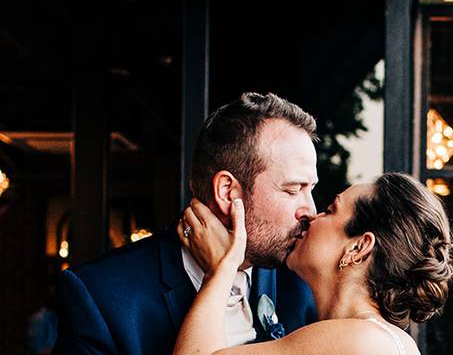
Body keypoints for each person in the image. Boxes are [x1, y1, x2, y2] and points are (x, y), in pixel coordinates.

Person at [53, 92, 320, 355]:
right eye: (294, 189)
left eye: (311, 190)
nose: (311, 210)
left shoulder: (304, 284)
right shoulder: (101, 297)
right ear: (228, 191)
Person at [173, 172, 453, 355]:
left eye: (331, 210)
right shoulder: (382, 340)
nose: (312, 216)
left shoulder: (360, 342)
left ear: (359, 247)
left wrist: (221, 268)